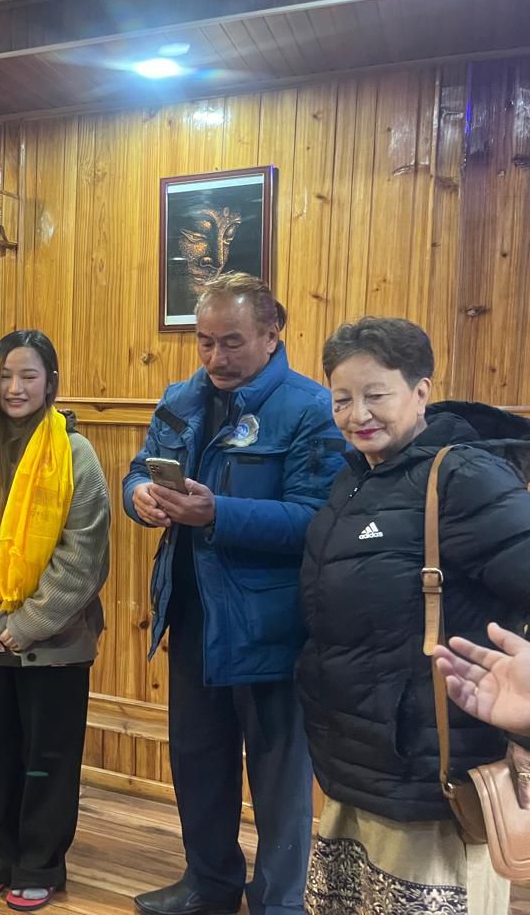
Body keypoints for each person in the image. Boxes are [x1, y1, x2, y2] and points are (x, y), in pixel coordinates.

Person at [123, 273, 345, 915]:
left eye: (233, 343)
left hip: (269, 623)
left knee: (278, 780)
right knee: (198, 762)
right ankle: (209, 884)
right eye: (204, 342)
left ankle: (279, 903)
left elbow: (313, 519)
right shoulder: (180, 397)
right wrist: (142, 497)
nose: (216, 358)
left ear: (273, 335)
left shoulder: (309, 409)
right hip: (191, 614)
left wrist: (217, 512)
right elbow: (143, 467)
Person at [298, 316, 530, 914]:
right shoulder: (354, 480)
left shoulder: (463, 478)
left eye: (376, 395)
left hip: (429, 774)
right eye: (342, 399)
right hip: (358, 762)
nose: (357, 415)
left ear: (421, 391)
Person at [0, 329, 110, 912]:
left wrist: (30, 622)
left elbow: (83, 555)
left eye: (29, 376)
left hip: (55, 643)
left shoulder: (75, 455)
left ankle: (40, 863)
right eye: (7, 375)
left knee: (48, 760)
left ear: (51, 384)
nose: (15, 388)